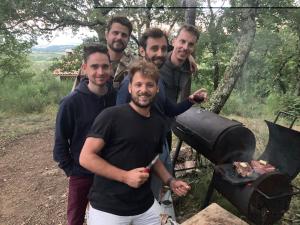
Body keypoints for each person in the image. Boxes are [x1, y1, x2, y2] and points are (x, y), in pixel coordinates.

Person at [79, 60, 190, 225]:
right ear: (130, 88)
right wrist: (125, 176)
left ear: (157, 89)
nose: (143, 90)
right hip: (108, 208)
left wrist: (171, 181)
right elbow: (86, 157)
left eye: (149, 85)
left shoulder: (158, 122)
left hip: (144, 205)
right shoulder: (111, 116)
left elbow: (153, 158)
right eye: (138, 84)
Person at [116, 28, 207, 200]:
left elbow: (169, 110)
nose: (160, 54)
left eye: (163, 49)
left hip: (160, 144)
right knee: (141, 196)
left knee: (156, 191)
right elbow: (119, 124)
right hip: (139, 150)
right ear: (142, 51)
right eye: (154, 49)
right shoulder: (130, 83)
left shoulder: (157, 80)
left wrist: (191, 100)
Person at [53, 44, 116, 225]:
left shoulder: (116, 97)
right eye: (94, 66)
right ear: (84, 68)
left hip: (109, 171)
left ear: (110, 68)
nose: (100, 71)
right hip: (81, 174)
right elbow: (60, 142)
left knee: (108, 218)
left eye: (105, 66)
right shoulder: (70, 102)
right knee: (75, 219)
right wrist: (72, 170)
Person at [72, 16, 134, 90]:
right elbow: (75, 93)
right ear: (106, 35)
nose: (119, 37)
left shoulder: (136, 65)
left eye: (124, 35)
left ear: (128, 39)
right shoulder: (90, 62)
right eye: (115, 33)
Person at [160, 24, 200, 103]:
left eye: (191, 44)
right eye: (182, 41)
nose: (185, 47)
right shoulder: (159, 62)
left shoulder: (189, 67)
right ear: (174, 41)